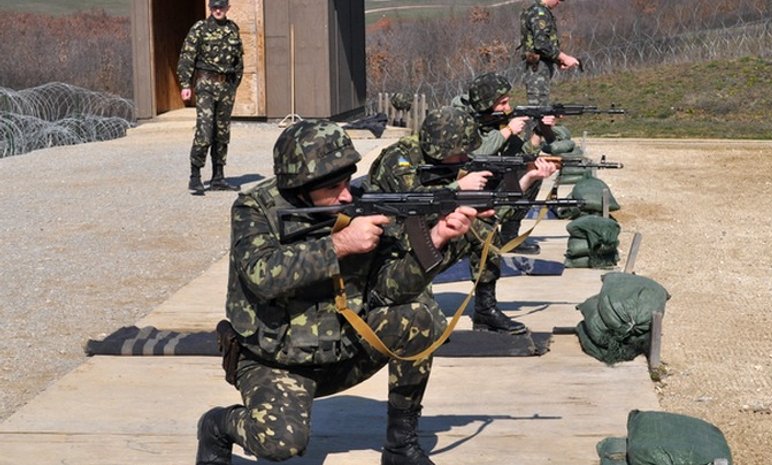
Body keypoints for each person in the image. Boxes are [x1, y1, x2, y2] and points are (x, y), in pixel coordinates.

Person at [195, 120, 482, 465]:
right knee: (280, 444)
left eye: (347, 182)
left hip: (343, 349)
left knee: (417, 316)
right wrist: (340, 244)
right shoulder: (254, 209)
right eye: (333, 186)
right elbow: (263, 275)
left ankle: (400, 447)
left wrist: (437, 239)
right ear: (301, 185)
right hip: (276, 361)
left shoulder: (357, 206)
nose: (347, 195)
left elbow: (390, 290)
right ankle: (218, 425)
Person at [364, 107, 555, 335]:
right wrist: (458, 187)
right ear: (443, 148)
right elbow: (414, 200)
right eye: (461, 153)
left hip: (424, 239)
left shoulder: (443, 160)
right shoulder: (398, 159)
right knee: (428, 328)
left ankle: (485, 310)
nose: (466, 158)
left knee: (483, 229)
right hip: (390, 253)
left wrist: (529, 177)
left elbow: (492, 211)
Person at [452, 71, 558, 254]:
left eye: (508, 102)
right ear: (486, 104)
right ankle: (481, 234)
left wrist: (539, 133)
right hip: (462, 183)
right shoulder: (459, 119)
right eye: (502, 103)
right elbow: (475, 153)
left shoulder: (496, 119)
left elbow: (518, 156)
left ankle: (509, 236)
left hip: (488, 177)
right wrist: (508, 130)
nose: (507, 108)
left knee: (531, 171)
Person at [177, 0, 244, 194]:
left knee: (222, 132)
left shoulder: (233, 29)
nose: (218, 10)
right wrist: (185, 84)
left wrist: (234, 84)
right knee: (205, 131)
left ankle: (218, 177)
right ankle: (195, 175)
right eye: (214, 7)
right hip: (206, 84)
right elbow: (187, 56)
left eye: (221, 7)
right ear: (210, 8)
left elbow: (239, 60)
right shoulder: (200, 28)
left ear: (227, 8)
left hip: (226, 87)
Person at [519, 0, 580, 105]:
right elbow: (541, 44)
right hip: (537, 66)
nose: (559, 3)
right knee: (538, 107)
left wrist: (557, 60)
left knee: (542, 105)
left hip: (540, 64)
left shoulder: (539, 10)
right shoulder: (539, 13)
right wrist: (564, 57)